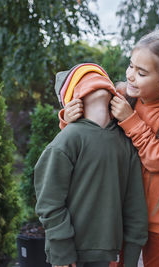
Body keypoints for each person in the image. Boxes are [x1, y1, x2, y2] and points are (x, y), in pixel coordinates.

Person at [60, 30, 159, 267]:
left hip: (156, 214)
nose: (130, 76)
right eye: (131, 66)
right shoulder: (122, 97)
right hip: (119, 206)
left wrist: (131, 121)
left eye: (142, 73)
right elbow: (93, 134)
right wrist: (67, 119)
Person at [34, 63, 148, 267]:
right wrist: (61, 249)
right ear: (73, 99)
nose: (96, 80)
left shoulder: (124, 142)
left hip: (105, 254)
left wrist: (130, 258)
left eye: (100, 76)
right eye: (85, 79)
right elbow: (49, 202)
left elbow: (135, 205)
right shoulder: (67, 140)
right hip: (71, 255)